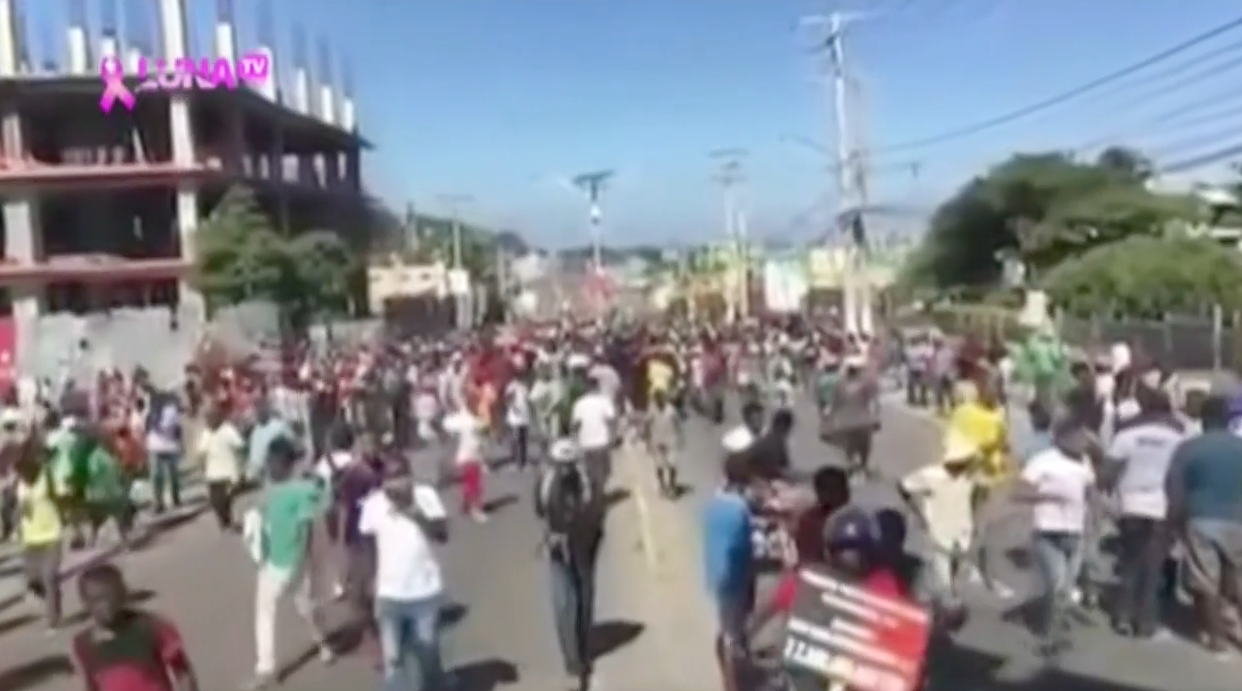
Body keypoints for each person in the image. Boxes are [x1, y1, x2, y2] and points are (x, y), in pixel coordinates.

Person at [243, 437, 334, 690]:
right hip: (292, 563)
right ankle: (323, 645)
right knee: (305, 607)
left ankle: (267, 667)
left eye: (273, 462)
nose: (270, 467)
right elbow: (324, 499)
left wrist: (299, 557)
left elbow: (304, 526)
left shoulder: (284, 491)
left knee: (268, 609)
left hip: (285, 562)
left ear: (281, 464)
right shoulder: (302, 489)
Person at [1104, 386, 1184, 639]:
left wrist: (1110, 500)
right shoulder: (1178, 439)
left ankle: (1123, 618)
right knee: (1153, 568)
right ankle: (1146, 623)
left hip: (1131, 505)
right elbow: (1180, 478)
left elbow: (1108, 473)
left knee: (1130, 563)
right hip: (1162, 507)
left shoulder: (1128, 435)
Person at [1165, 395, 1242, 656]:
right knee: (1236, 577)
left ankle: (1217, 639)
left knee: (1205, 580)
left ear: (1204, 420)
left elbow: (1174, 487)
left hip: (1201, 518)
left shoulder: (1189, 448)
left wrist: (1172, 521)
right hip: (1238, 519)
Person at [359, 472, 450, 691]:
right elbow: (367, 542)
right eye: (389, 477)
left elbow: (442, 534)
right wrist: (369, 577)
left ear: (410, 477)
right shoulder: (374, 504)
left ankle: (437, 683)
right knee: (393, 660)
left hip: (425, 592)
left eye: (401, 475)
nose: (395, 483)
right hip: (389, 594)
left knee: (427, 655)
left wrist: (413, 511)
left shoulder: (425, 496)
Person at [1016, 417, 1096, 658]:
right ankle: (1049, 637)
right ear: (1062, 438)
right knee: (1058, 584)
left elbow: (1090, 494)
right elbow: (1019, 492)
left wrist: (1097, 520)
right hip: (1047, 531)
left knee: (1067, 589)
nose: (1084, 442)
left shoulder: (1085, 462)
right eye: (1079, 437)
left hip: (1075, 531)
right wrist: (1048, 498)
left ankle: (1054, 630)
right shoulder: (1042, 462)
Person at [536, 439, 602, 690]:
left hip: (580, 547)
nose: (564, 469)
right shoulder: (548, 481)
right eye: (560, 464)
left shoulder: (586, 484)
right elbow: (539, 508)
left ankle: (581, 650)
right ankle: (573, 659)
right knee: (565, 603)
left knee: (581, 601)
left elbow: (596, 514)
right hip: (560, 549)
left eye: (567, 464)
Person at [72, 563, 199, 691]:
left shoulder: (153, 627)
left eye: (110, 597)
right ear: (85, 603)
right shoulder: (84, 644)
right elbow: (92, 683)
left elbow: (182, 672)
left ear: (123, 595)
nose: (105, 606)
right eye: (96, 600)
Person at [899, 429, 978, 599]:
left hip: (962, 530)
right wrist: (917, 512)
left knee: (954, 571)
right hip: (938, 530)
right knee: (943, 579)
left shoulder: (970, 478)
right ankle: (941, 606)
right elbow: (904, 486)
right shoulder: (931, 475)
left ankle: (944, 599)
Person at [702, 444, 755, 691]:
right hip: (734, 577)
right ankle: (733, 684)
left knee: (727, 629)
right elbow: (745, 545)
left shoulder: (716, 501)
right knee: (733, 635)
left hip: (716, 574)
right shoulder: (739, 507)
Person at [15, 431, 63, 632]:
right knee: (33, 581)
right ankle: (52, 596)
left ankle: (53, 619)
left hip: (51, 533)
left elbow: (61, 496)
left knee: (49, 577)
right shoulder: (18, 484)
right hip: (30, 539)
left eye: (25, 472)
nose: (23, 476)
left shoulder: (47, 476)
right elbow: (19, 509)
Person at [193, 402, 244, 531]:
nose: (209, 421)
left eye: (212, 417)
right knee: (215, 501)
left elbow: (239, 447)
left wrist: (240, 466)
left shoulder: (228, 430)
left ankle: (228, 519)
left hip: (228, 472)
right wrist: (202, 468)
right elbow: (201, 453)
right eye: (207, 418)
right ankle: (224, 520)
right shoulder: (206, 433)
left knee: (225, 499)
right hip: (212, 473)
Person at [571, 374, 617, 494]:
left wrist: (574, 440)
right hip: (602, 442)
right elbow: (611, 420)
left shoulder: (579, 403)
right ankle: (598, 492)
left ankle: (592, 491)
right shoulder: (604, 401)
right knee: (605, 471)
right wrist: (613, 436)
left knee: (588, 471)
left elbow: (576, 425)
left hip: (585, 443)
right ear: (597, 387)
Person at [443, 404, 488, 523]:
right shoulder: (472, 424)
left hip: (466, 457)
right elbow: (478, 441)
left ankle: (466, 506)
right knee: (475, 485)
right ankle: (475, 510)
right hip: (471, 458)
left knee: (469, 484)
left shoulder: (466, 423)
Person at [643, 389, 684, 497]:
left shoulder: (671, 410)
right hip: (657, 441)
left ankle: (672, 485)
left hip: (671, 440)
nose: (660, 402)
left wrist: (680, 438)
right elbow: (646, 424)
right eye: (658, 400)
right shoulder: (652, 410)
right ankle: (662, 485)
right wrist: (647, 441)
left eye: (662, 399)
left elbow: (677, 424)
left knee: (672, 465)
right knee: (659, 465)